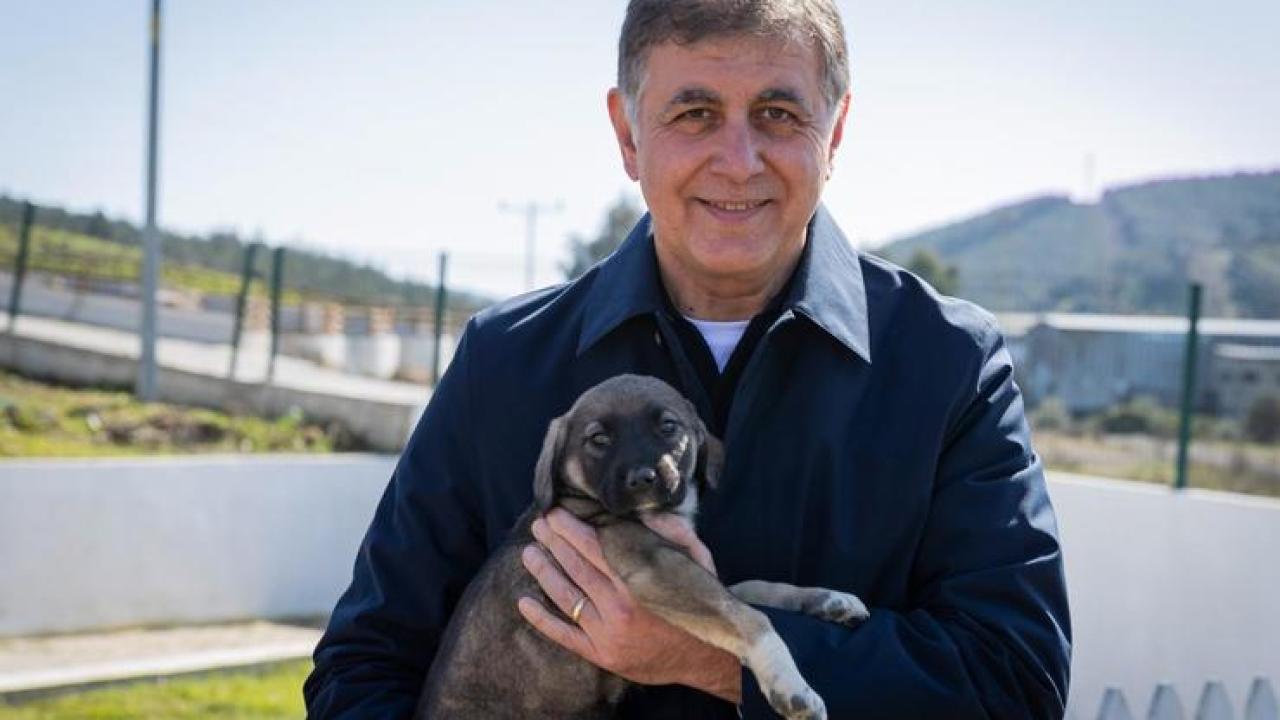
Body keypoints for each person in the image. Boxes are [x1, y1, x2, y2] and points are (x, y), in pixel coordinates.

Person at [304, 0, 1072, 717]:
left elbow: (1016, 680)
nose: (738, 160)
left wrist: (710, 652)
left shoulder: (950, 366)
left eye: (778, 113)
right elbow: (363, 668)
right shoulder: (502, 364)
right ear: (628, 133)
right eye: (695, 113)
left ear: (833, 134)